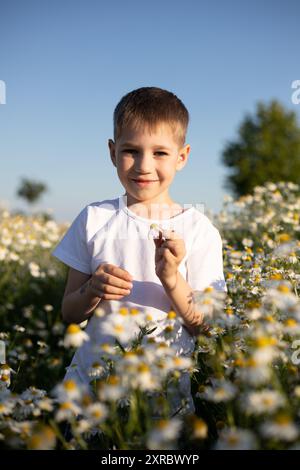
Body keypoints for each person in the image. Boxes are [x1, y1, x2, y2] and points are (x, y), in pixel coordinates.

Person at [51, 86, 227, 417]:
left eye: (160, 153)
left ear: (182, 156)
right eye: (131, 150)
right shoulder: (94, 218)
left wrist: (172, 278)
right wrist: (93, 290)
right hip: (92, 393)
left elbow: (206, 328)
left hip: (164, 400)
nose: (143, 166)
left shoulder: (200, 230)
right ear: (112, 152)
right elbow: (70, 313)